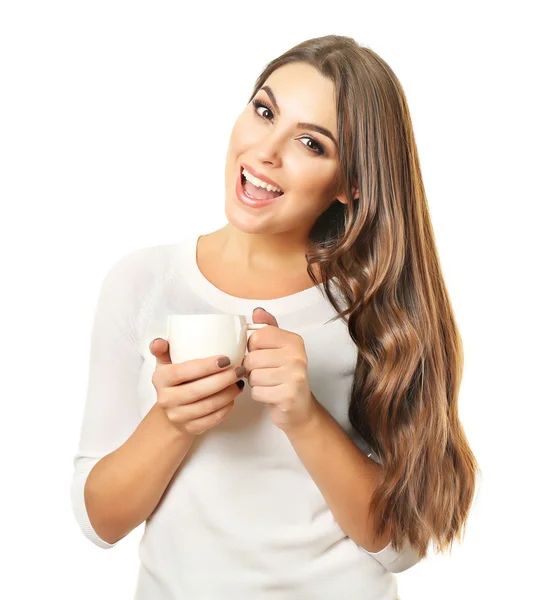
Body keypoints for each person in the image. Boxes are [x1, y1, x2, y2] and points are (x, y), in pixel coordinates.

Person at [70, 35, 479, 599]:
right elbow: (99, 523)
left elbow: (403, 546)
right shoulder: (142, 282)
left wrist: (305, 416)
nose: (266, 150)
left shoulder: (371, 308)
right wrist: (171, 423)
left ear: (351, 184)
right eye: (265, 111)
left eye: (311, 143)